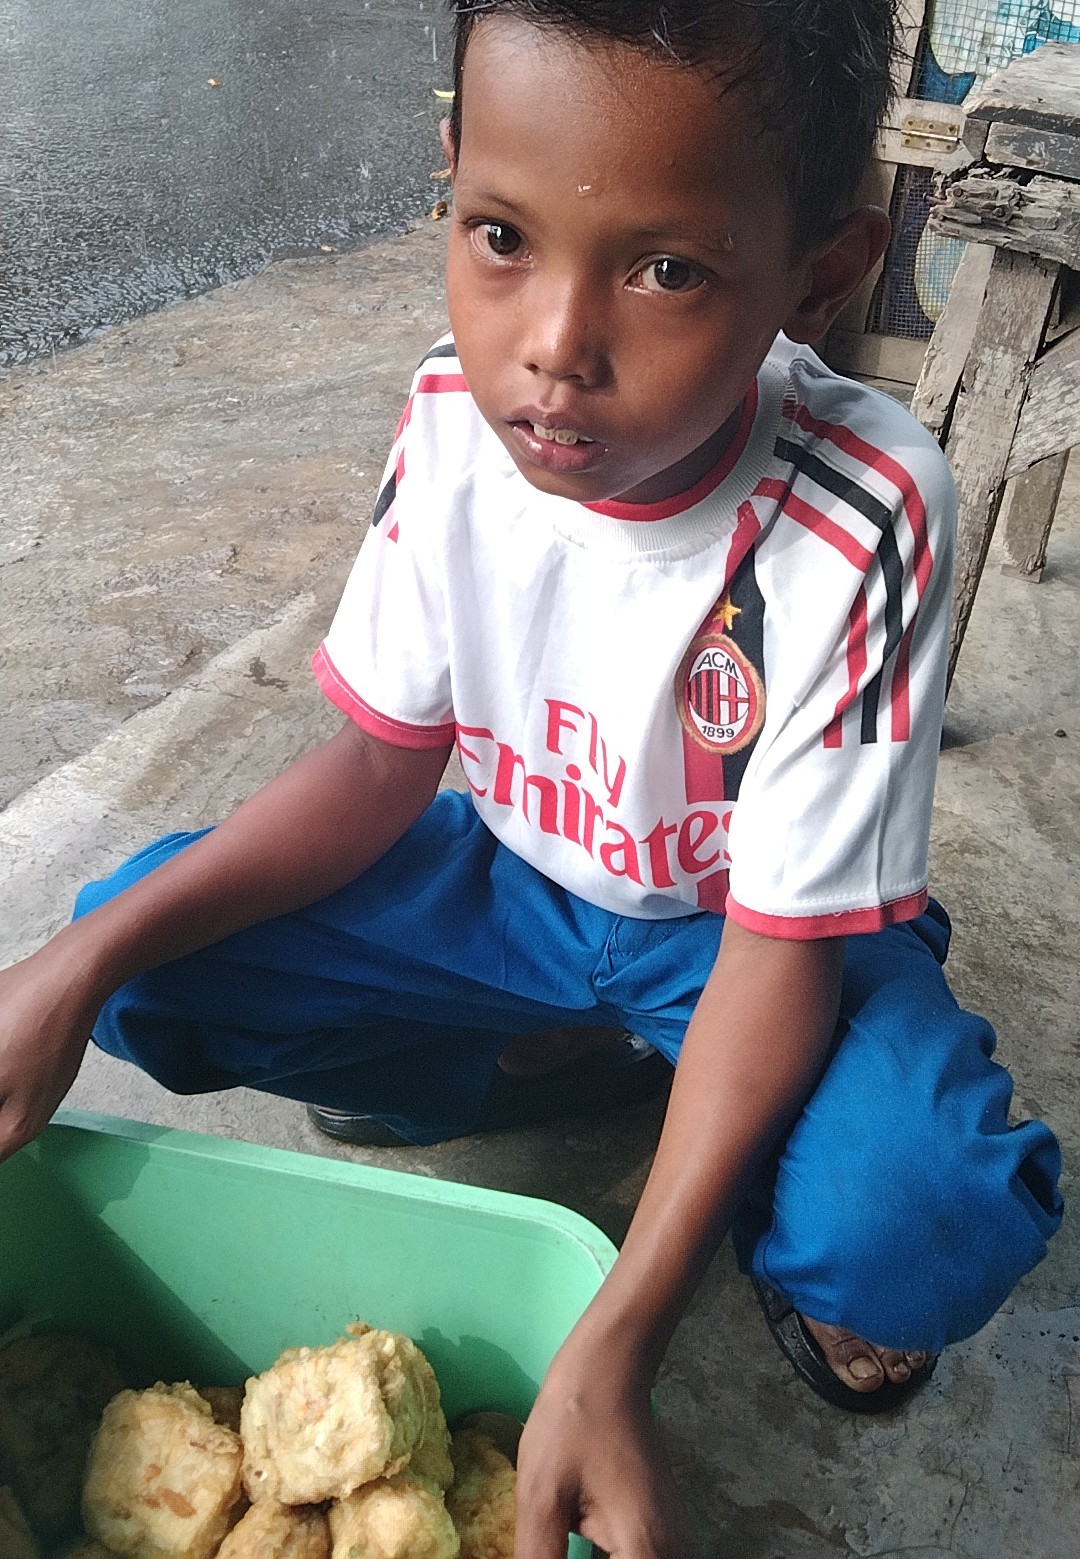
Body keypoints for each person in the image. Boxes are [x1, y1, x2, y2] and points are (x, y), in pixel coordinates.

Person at [0, 1, 1064, 1553]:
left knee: (920, 1218)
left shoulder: (863, 505)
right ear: (452, 176)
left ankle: (725, 1150)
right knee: (146, 956)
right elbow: (380, 764)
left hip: (754, 935)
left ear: (824, 274)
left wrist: (616, 1334)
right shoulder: (454, 411)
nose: (554, 346)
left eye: (668, 270)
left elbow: (781, 944)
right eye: (500, 236)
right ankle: (558, 1055)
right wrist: (74, 959)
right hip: (515, 889)